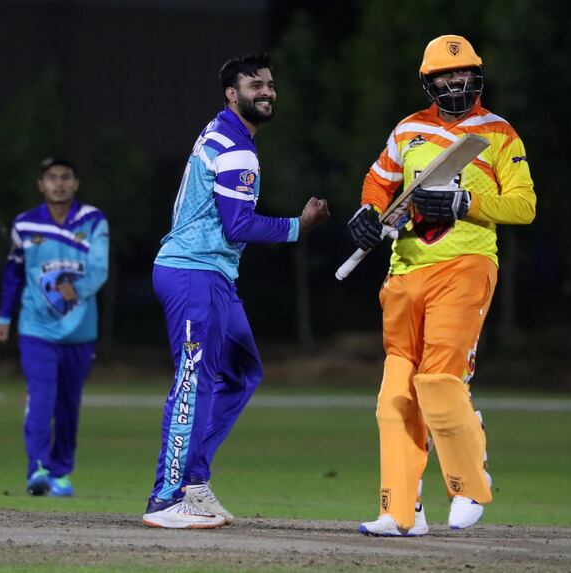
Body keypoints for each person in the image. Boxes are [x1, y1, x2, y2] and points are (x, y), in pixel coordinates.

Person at [348, 35, 536, 536]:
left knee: (437, 382)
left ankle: (470, 482)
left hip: (466, 265)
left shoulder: (498, 133)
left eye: (464, 73)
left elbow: (523, 205)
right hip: (404, 271)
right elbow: (378, 182)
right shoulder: (408, 129)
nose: (456, 82)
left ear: (476, 76)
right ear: (429, 82)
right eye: (445, 76)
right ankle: (400, 512)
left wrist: (464, 204)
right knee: (394, 396)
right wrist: (367, 213)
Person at [142, 53, 330, 529]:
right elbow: (237, 224)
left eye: (270, 84)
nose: (266, 91)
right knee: (194, 378)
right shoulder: (236, 146)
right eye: (254, 85)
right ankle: (166, 500)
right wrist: (298, 226)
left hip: (213, 276)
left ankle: (194, 482)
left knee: (243, 371)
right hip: (193, 273)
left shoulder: (226, 132)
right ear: (232, 94)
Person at [0, 157, 109, 497]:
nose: (59, 183)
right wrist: (3, 317)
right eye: (51, 178)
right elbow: (13, 273)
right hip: (36, 329)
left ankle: (61, 472)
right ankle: (38, 469)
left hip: (80, 331)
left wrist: (80, 287)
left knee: (68, 405)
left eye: (65, 177)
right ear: (41, 185)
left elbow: (99, 267)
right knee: (41, 397)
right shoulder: (25, 225)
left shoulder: (92, 220)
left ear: (76, 183)